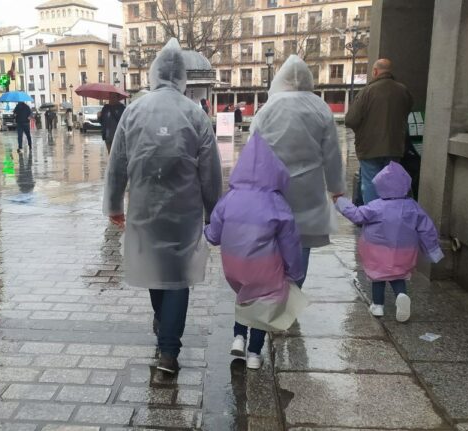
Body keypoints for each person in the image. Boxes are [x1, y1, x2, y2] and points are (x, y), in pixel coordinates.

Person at [104, 38, 222, 374]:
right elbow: (210, 170)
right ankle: (168, 350)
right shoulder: (195, 115)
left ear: (154, 73)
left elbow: (117, 163)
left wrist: (114, 203)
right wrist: (214, 212)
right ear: (183, 76)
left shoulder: (135, 110)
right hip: (184, 211)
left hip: (145, 207)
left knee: (156, 269)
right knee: (178, 276)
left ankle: (163, 328)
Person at [204, 133, 304, 369]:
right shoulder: (276, 202)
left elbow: (214, 234)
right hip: (264, 265)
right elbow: (290, 242)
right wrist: (295, 272)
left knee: (244, 297)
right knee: (263, 304)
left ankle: (238, 336)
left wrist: (203, 233)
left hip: (233, 265)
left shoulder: (229, 198)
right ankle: (254, 354)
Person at [250, 55, 345, 287]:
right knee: (302, 239)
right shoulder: (319, 107)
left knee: (273, 237)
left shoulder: (269, 108)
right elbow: (332, 153)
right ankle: (294, 289)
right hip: (309, 188)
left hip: (272, 186)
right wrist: (336, 188)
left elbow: (253, 148)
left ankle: (273, 285)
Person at [334, 162, 443, 322]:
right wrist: (433, 250)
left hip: (378, 251)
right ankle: (401, 295)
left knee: (378, 277)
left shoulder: (375, 207)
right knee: (398, 275)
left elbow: (357, 215)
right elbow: (427, 228)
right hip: (404, 251)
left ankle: (378, 306)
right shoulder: (412, 207)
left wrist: (340, 202)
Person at [345, 59, 413, 204]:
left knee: (370, 183)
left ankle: (373, 219)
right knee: (391, 184)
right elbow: (407, 111)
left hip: (370, 148)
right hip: (395, 147)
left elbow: (350, 120)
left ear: (375, 71)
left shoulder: (367, 91)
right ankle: (387, 216)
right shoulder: (403, 91)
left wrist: (362, 130)